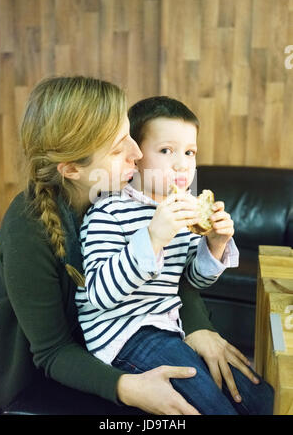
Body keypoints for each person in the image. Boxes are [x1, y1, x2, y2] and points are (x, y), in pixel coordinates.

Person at [0, 76, 244, 416]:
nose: (138, 154)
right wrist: (128, 388)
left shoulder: (129, 193)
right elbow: (52, 352)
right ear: (70, 169)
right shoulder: (28, 228)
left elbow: (170, 270)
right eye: (118, 147)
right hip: (44, 375)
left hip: (131, 337)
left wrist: (199, 326)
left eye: (129, 134)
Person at [76, 95, 274, 415]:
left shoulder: (181, 207)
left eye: (189, 152)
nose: (182, 163)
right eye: (166, 150)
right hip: (125, 335)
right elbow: (99, 294)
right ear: (136, 156)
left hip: (171, 327)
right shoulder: (109, 210)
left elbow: (192, 279)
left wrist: (216, 244)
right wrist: (154, 236)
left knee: (264, 402)